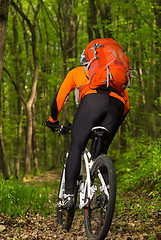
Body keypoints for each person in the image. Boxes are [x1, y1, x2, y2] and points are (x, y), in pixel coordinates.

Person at [45, 43, 129, 208]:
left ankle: (68, 196)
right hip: (116, 108)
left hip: (92, 103)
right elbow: (126, 107)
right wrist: (114, 123)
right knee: (100, 153)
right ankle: (106, 196)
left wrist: (53, 119)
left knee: (77, 146)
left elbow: (59, 99)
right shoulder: (114, 80)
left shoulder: (77, 72)